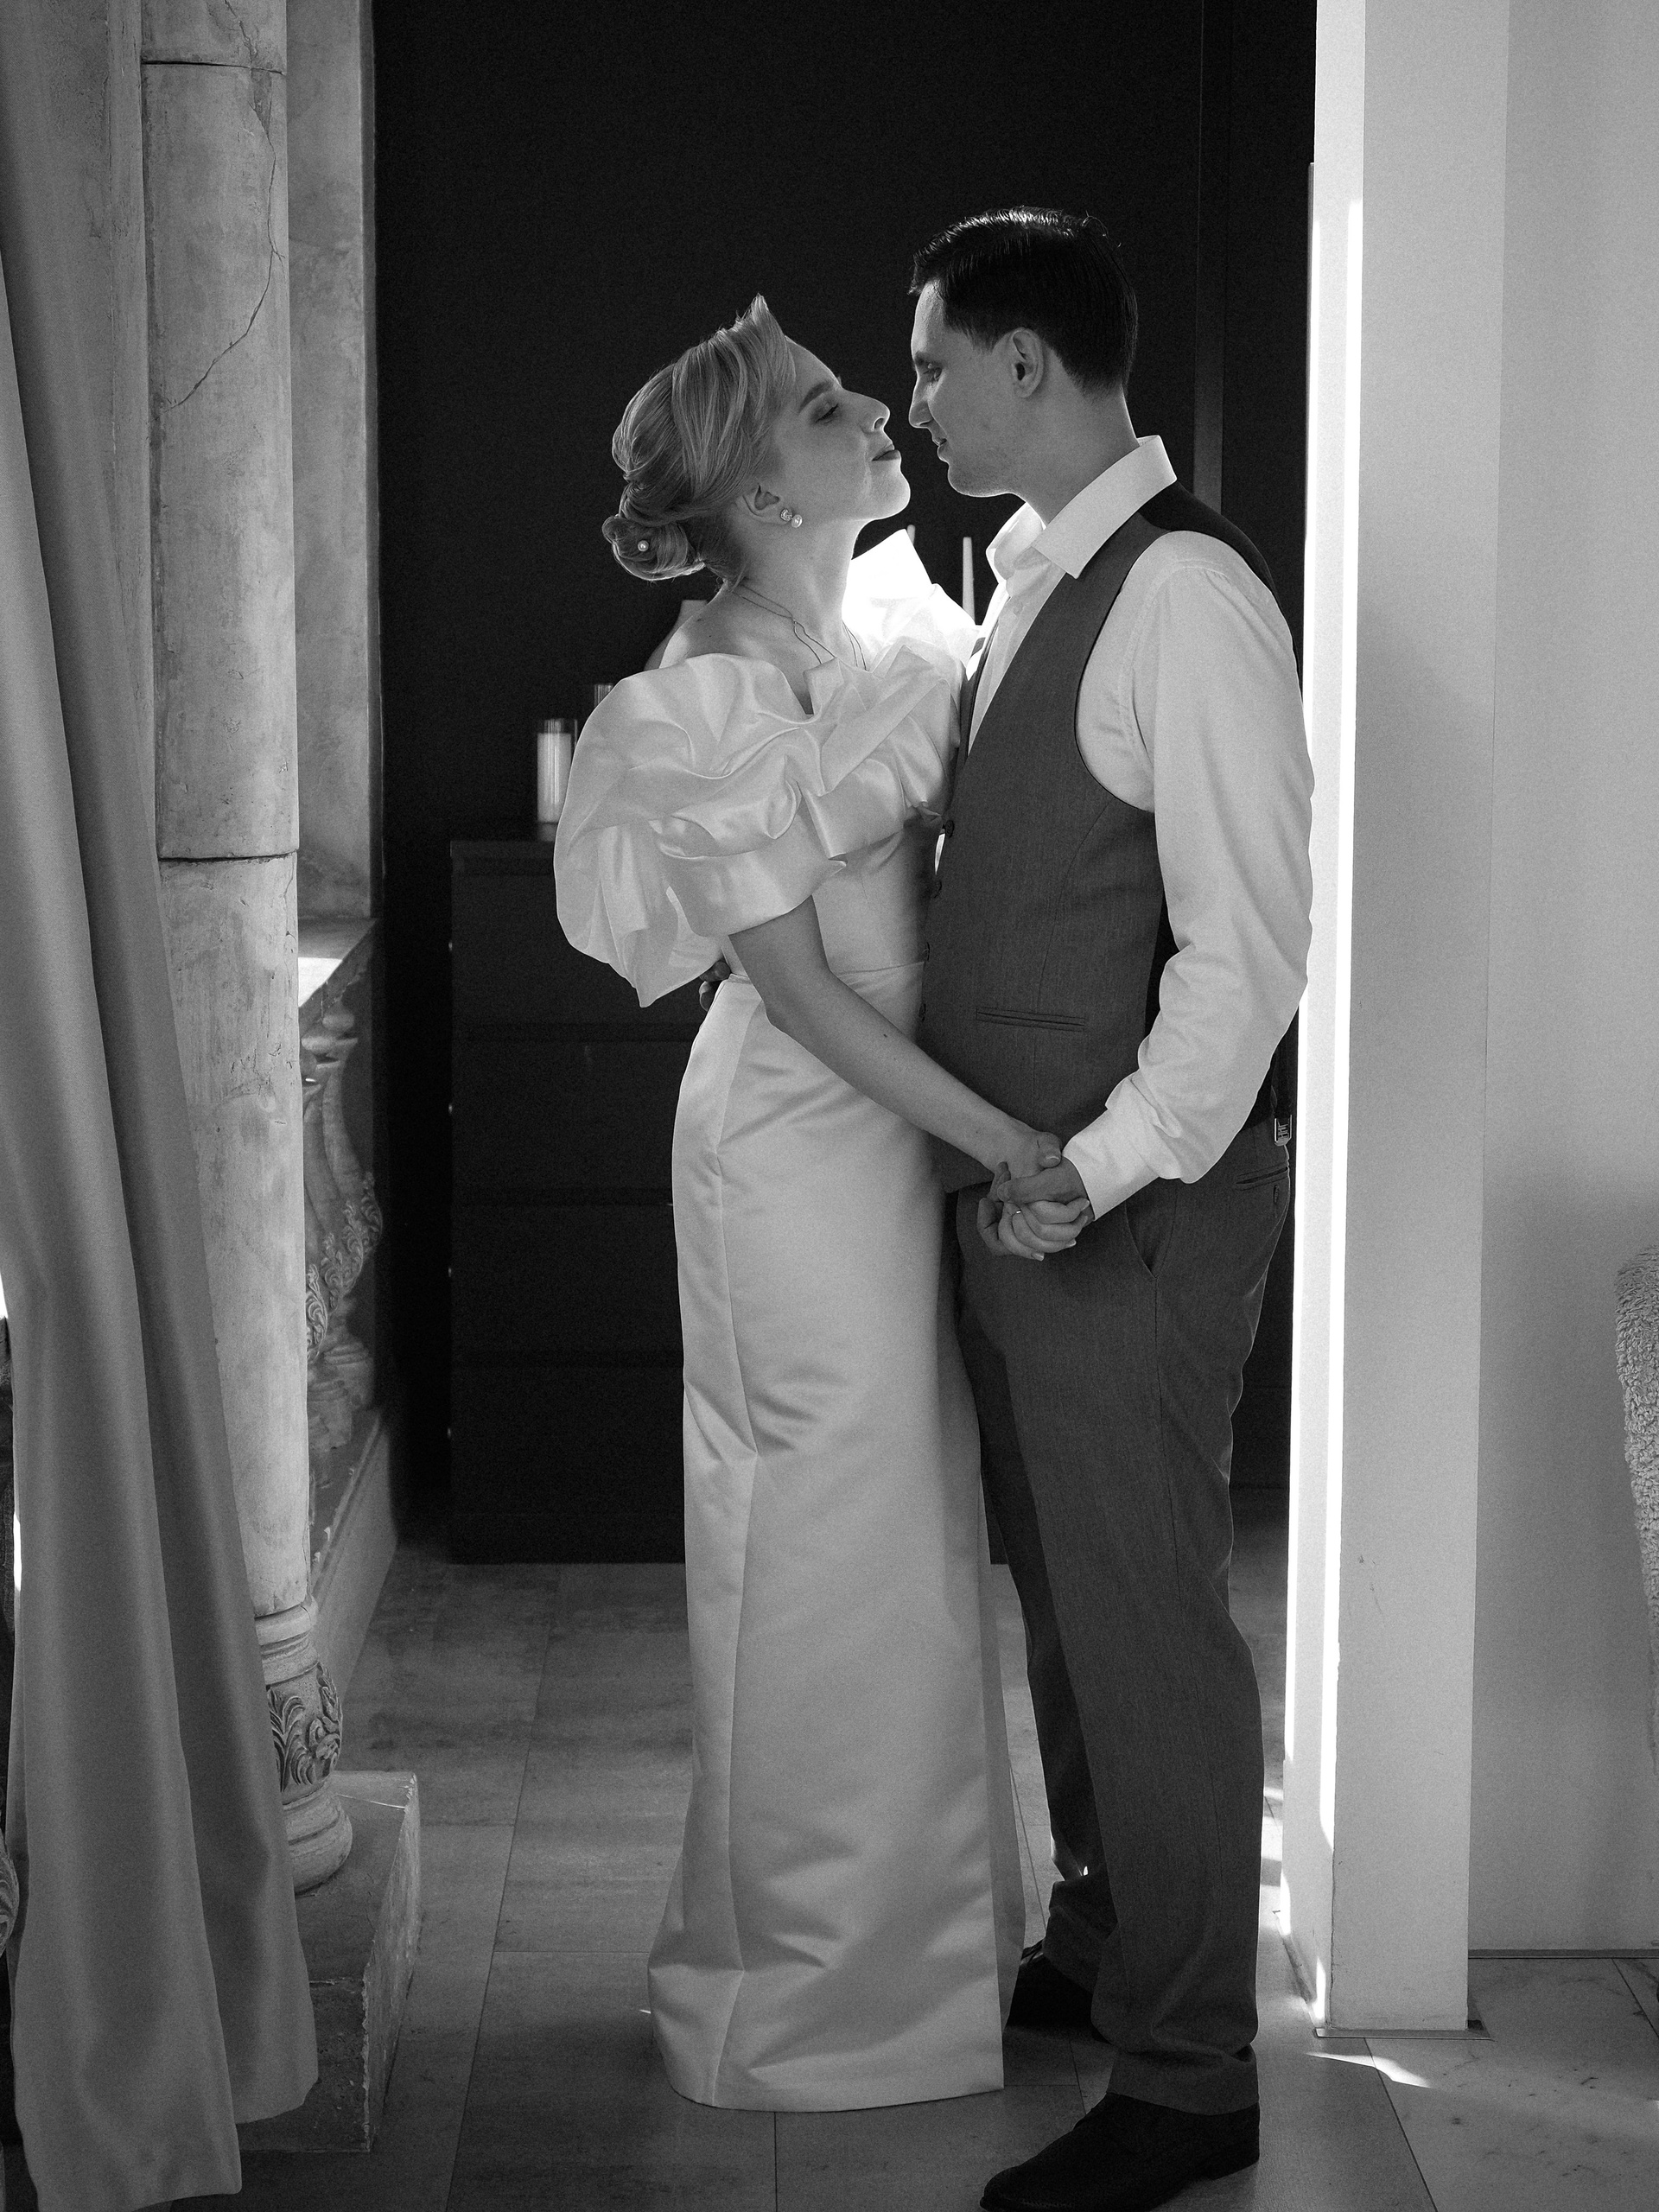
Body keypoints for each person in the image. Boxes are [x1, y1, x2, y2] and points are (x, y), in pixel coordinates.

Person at [555, 296, 1067, 2111]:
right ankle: (797, 2000)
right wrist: (1006, 1139)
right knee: (816, 1552)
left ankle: (920, 1978)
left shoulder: (887, 626)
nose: (879, 412)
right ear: (768, 491)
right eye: (833, 405)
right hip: (792, 1149)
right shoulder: (698, 699)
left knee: (908, 1543)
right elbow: (807, 1002)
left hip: (893, 1140)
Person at [907, 209, 1314, 2212]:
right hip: (1034, 1201)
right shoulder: (1028, 585)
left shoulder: (1187, 600)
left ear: (1028, 365)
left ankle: (1191, 2069)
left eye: (933, 364)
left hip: (1129, 1212)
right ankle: (1101, 1932)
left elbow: (1250, 956)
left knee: (1146, 1622)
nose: (915, 400)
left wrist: (1108, 1159)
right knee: (1069, 1594)